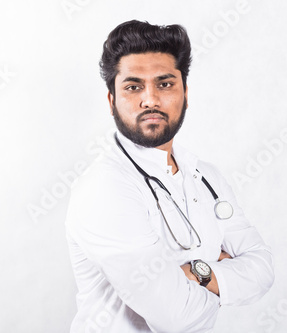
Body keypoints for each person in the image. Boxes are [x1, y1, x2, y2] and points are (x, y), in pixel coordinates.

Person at [65, 20, 274, 333]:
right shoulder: (105, 188)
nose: (150, 99)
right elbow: (178, 317)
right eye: (133, 87)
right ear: (112, 101)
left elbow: (262, 269)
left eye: (164, 84)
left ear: (185, 94)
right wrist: (220, 267)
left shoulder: (206, 177)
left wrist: (195, 273)